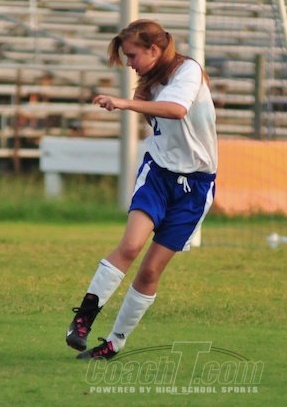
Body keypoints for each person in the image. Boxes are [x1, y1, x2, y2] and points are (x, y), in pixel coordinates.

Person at [66, 19, 217, 360]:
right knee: (130, 246)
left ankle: (114, 343)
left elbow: (177, 110)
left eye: (133, 56)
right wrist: (136, 98)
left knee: (150, 272)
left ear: (154, 49)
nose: (130, 63)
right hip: (159, 174)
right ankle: (82, 321)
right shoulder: (149, 82)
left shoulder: (188, 71)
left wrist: (126, 103)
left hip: (196, 187)